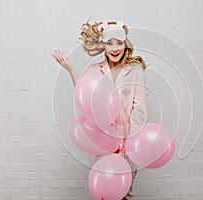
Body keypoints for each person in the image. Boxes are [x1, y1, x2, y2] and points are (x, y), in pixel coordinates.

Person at [52, 20, 147, 200]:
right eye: (110, 43)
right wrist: (70, 69)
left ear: (125, 44)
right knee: (104, 193)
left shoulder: (135, 69)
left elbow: (139, 108)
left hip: (128, 142)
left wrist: (129, 143)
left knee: (125, 193)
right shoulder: (95, 69)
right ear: (103, 45)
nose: (115, 48)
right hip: (101, 141)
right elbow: (85, 95)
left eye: (119, 42)